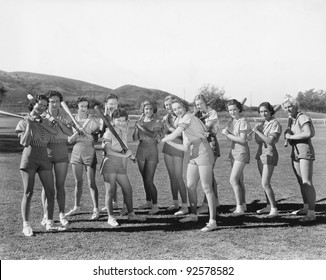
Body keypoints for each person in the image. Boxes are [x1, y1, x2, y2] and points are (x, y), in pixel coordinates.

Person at [162, 98, 217, 232]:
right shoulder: (183, 121)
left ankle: (212, 221)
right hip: (193, 152)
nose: (177, 111)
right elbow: (185, 147)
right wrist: (168, 142)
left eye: (179, 107)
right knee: (190, 185)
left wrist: (165, 138)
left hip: (204, 150)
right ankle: (193, 215)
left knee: (207, 187)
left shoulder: (188, 117)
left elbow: (175, 133)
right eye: (174, 109)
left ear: (185, 107)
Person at [15, 94, 62, 236]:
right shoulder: (23, 121)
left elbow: (54, 132)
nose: (41, 107)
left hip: (44, 158)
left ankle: (49, 222)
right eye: (39, 104)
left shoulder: (44, 120)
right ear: (33, 104)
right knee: (28, 193)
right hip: (29, 158)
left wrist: (41, 122)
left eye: (44, 105)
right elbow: (25, 142)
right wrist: (30, 123)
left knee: (50, 191)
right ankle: (26, 225)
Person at [100, 108, 145, 227]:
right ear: (113, 120)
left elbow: (123, 147)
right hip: (110, 163)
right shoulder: (109, 132)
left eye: (123, 120)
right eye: (118, 120)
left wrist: (129, 155)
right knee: (110, 191)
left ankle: (131, 214)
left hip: (119, 163)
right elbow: (108, 151)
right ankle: (110, 217)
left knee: (128, 189)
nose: (121, 122)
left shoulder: (123, 131)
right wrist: (124, 155)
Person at [40, 90, 73, 228]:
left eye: (57, 101)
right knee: (46, 187)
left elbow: (70, 132)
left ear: (60, 102)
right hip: (45, 151)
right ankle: (46, 215)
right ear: (48, 102)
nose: (54, 104)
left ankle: (61, 214)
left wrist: (59, 123)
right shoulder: (42, 115)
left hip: (61, 151)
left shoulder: (64, 115)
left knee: (60, 185)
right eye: (52, 101)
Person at [65, 97, 100, 220]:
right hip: (76, 152)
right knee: (78, 182)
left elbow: (96, 139)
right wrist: (77, 132)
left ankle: (96, 209)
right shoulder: (72, 120)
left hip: (89, 150)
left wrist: (88, 132)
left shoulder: (92, 121)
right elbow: (69, 140)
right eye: (81, 106)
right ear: (77, 107)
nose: (84, 108)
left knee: (91, 183)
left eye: (86, 106)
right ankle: (76, 206)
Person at [282, 96, 316, 222]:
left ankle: (312, 214)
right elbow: (292, 133)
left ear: (296, 106)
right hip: (295, 152)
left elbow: (308, 133)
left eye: (290, 106)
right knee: (301, 181)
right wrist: (288, 134)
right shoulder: (291, 119)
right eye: (285, 108)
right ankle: (306, 208)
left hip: (304, 151)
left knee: (307, 182)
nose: (287, 109)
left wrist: (291, 137)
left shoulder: (302, 117)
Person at [132, 100, 163, 215]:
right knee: (144, 178)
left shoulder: (157, 121)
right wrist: (136, 128)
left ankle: (155, 205)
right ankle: (148, 201)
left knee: (149, 180)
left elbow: (153, 135)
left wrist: (140, 126)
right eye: (146, 109)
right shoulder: (140, 121)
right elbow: (135, 138)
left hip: (152, 150)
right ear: (143, 110)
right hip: (141, 150)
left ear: (153, 109)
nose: (148, 111)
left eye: (150, 109)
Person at [251, 102, 282, 218]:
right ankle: (268, 206)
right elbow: (258, 141)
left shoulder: (275, 123)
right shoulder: (263, 123)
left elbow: (270, 141)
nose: (263, 114)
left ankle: (274, 209)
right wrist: (258, 130)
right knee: (264, 183)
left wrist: (258, 131)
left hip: (270, 153)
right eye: (261, 112)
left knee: (265, 183)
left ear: (270, 111)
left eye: (265, 111)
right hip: (260, 153)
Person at [221, 99, 251, 217]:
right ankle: (242, 205)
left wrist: (227, 134)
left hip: (241, 152)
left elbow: (243, 140)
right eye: (230, 110)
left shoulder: (243, 121)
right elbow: (232, 139)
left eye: (234, 109)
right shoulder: (233, 122)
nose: (232, 112)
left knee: (233, 180)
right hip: (234, 152)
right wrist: (228, 132)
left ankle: (239, 208)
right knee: (239, 180)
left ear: (239, 109)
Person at [193, 94, 220, 214]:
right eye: (197, 104)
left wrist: (197, 121)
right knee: (210, 175)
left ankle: (205, 205)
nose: (199, 106)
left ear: (206, 103)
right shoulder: (198, 114)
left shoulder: (212, 112)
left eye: (201, 104)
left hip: (211, 144)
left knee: (207, 176)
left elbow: (206, 129)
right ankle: (215, 201)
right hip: (201, 145)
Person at [162, 96, 188, 215]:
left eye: (170, 105)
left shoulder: (182, 117)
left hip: (178, 148)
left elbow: (180, 134)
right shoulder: (166, 118)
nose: (169, 107)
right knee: (172, 176)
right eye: (166, 105)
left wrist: (169, 126)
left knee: (178, 177)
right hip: (167, 148)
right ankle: (175, 202)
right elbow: (164, 133)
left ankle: (185, 206)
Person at [99, 93, 120, 211]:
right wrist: (105, 116)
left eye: (115, 103)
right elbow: (101, 132)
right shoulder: (104, 116)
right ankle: (113, 201)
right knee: (109, 178)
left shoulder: (121, 115)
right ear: (106, 104)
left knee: (120, 177)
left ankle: (126, 205)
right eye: (110, 104)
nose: (113, 106)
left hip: (118, 149)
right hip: (107, 148)